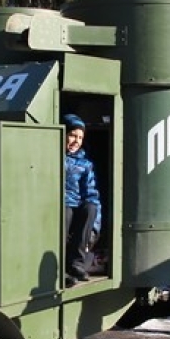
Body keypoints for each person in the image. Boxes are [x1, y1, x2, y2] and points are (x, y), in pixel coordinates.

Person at [63, 114, 101, 287]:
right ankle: (60, 268)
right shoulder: (56, 156)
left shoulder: (85, 163)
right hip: (62, 205)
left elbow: (91, 193)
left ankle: (76, 264)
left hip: (77, 204)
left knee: (90, 208)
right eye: (72, 135)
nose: (76, 141)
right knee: (65, 213)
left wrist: (95, 227)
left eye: (80, 137)